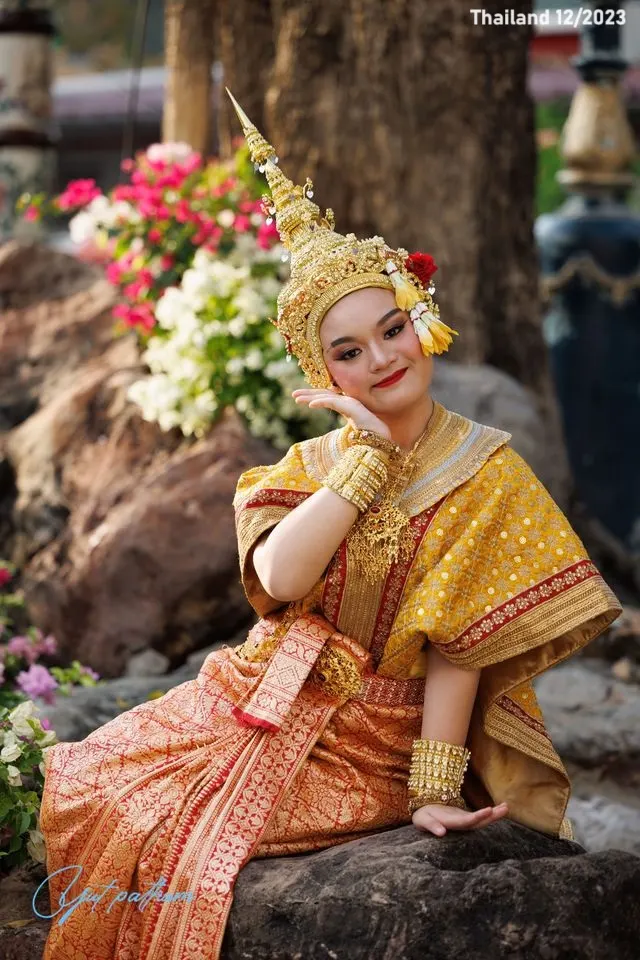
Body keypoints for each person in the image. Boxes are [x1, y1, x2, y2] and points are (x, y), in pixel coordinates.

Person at [38, 92, 621, 960]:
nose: (382, 359)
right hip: (258, 695)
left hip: (379, 742)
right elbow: (277, 584)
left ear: (421, 320)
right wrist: (367, 460)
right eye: (349, 351)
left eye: (392, 330)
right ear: (321, 372)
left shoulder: (486, 472)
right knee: (89, 786)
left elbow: (455, 650)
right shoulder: (310, 467)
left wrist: (431, 792)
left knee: (177, 833)